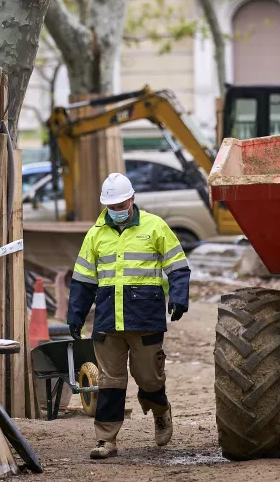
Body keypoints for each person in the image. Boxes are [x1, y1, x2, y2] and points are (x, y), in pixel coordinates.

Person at [67, 172, 191, 459]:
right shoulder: (96, 234)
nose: (118, 211)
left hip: (144, 318)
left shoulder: (154, 227)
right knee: (110, 381)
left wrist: (179, 297)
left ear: (133, 199)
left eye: (122, 205)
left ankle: (161, 411)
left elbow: (178, 266)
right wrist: (75, 315)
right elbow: (83, 280)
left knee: (149, 379)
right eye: (113, 207)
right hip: (108, 321)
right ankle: (105, 439)